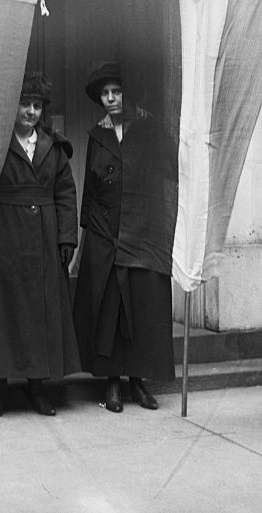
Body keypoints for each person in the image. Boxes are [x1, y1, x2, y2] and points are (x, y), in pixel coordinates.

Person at [0, 72, 81, 418]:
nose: (31, 111)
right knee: (2, 312)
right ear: (13, 107)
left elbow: (66, 192)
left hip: (44, 240)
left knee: (38, 314)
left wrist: (66, 237)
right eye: (25, 104)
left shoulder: (53, 147)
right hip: (3, 236)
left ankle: (37, 388)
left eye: (37, 106)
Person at [73, 62, 175, 413]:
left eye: (116, 92)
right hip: (104, 234)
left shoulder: (148, 130)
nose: (111, 98)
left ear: (127, 94)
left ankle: (139, 382)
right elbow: (89, 190)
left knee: (143, 306)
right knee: (109, 308)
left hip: (143, 231)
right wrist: (82, 240)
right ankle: (112, 383)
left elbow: (169, 175)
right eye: (105, 93)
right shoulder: (96, 136)